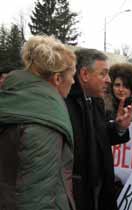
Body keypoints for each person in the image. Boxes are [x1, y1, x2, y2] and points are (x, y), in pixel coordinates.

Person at [0, 35, 76, 210]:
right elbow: (36, 196)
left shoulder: (15, 99)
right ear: (57, 79)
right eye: (72, 75)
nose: (73, 81)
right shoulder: (44, 121)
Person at [65, 49, 132, 210]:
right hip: (78, 193)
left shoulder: (96, 101)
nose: (108, 80)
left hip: (99, 187)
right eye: (103, 74)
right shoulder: (65, 102)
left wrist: (119, 128)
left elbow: (97, 136)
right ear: (84, 74)